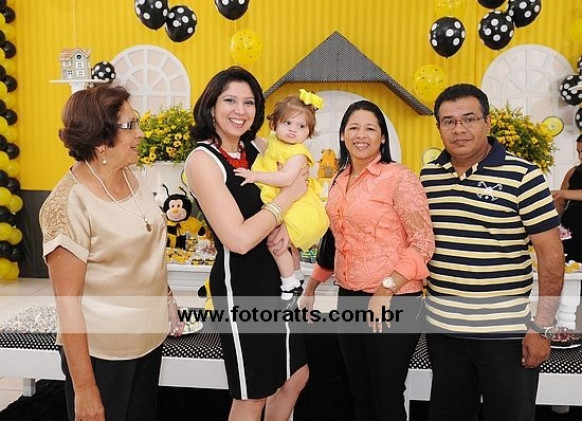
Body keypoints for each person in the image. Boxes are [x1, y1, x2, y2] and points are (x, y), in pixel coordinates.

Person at [419, 83, 564, 421]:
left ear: (487, 122)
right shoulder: (428, 177)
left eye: (469, 119)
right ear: (438, 127)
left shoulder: (524, 176)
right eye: (449, 121)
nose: (459, 129)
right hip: (444, 332)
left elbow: (551, 255)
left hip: (506, 334)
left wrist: (541, 327)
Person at [39, 85, 183, 421]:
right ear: (101, 139)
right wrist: (86, 390)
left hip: (148, 340)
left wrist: (167, 299)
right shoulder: (68, 203)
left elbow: (146, 245)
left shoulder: (131, 176)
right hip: (103, 355)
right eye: (130, 126)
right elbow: (67, 304)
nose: (141, 133)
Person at [184, 66, 309, 421]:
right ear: (211, 107)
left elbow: (300, 175)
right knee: (253, 394)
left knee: (295, 376)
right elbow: (238, 239)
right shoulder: (202, 160)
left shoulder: (258, 149)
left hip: (277, 279)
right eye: (230, 101)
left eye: (249, 102)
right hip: (242, 285)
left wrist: (288, 226)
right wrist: (286, 199)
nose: (240, 110)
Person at [299, 100, 435, 421]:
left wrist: (386, 288)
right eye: (354, 128)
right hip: (349, 297)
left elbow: (423, 242)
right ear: (343, 135)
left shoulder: (399, 177)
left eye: (370, 128)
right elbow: (335, 240)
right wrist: (311, 286)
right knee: (359, 394)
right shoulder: (339, 179)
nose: (361, 135)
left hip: (394, 300)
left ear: (382, 137)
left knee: (386, 397)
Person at [233, 90, 329, 301]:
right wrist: (251, 135)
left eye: (301, 126)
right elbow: (267, 148)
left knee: (276, 244)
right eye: (288, 123)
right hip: (284, 199)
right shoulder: (276, 142)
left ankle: (289, 282)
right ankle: (296, 273)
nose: (293, 130)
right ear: (274, 124)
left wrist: (254, 175)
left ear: (309, 133)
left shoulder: (298, 154)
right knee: (287, 245)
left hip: (298, 205)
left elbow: (286, 179)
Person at [552, 133, 582, 263]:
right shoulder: (573, 172)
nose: (580, 156)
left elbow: (562, 194)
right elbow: (560, 202)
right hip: (572, 229)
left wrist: (563, 193)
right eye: (578, 152)